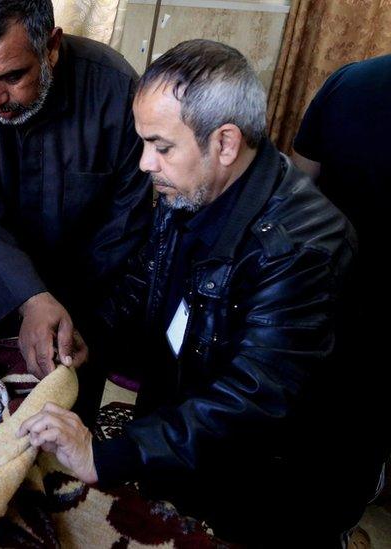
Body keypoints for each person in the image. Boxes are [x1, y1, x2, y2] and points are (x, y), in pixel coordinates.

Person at [20, 40, 371, 545]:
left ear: (224, 143)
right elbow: (145, 282)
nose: (145, 164)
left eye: (161, 147)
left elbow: (252, 400)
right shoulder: (190, 188)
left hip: (268, 487)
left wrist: (110, 455)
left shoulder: (302, 249)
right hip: (187, 446)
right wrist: (87, 336)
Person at [0, 0, 152, 419]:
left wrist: (83, 324)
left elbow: (126, 225)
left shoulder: (116, 91)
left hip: (86, 304)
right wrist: (30, 300)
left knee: (66, 441)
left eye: (13, 76)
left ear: (52, 47)